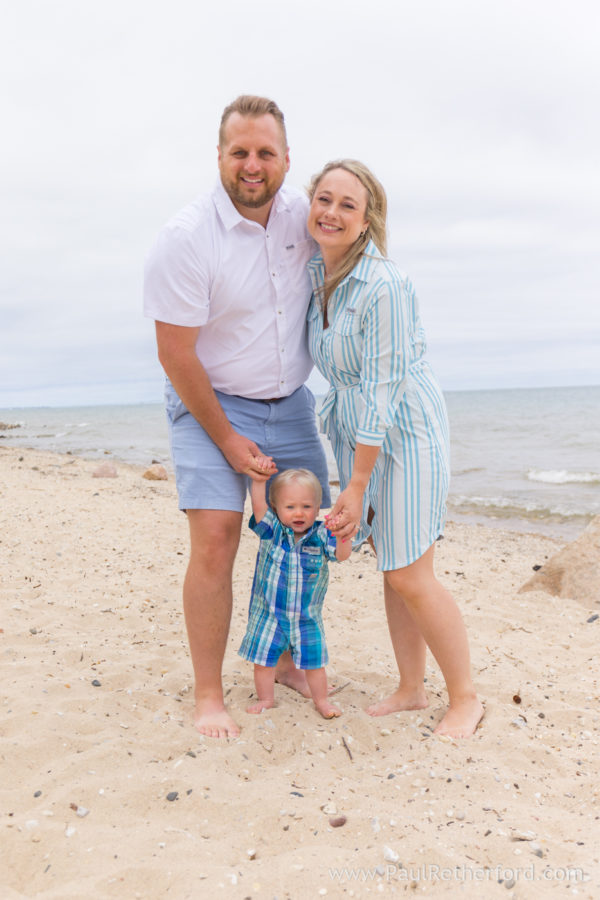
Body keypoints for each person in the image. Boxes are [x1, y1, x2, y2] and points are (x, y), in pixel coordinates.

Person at [143, 96, 330, 739]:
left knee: (305, 538)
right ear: (219, 156)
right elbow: (175, 352)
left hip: (293, 403)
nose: (253, 165)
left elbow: (357, 263)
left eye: (265, 153)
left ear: (286, 160)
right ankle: (207, 694)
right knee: (219, 539)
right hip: (210, 401)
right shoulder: (186, 238)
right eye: (240, 152)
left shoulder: (307, 218)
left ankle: (282, 663)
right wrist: (226, 438)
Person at [305, 159, 484, 738]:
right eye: (324, 199)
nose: (331, 212)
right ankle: (411, 688)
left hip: (403, 431)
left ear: (367, 220)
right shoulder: (315, 273)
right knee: (392, 564)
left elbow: (380, 394)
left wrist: (352, 486)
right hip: (358, 432)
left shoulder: (386, 284)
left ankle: (466, 697)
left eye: (347, 205)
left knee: (411, 571)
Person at [239, 468, 351, 719]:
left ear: (318, 507)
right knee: (264, 661)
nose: (299, 513)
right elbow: (257, 506)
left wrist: (345, 535)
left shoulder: (322, 535)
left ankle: (322, 701)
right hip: (269, 614)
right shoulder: (272, 531)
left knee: (315, 662)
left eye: (307, 506)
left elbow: (342, 556)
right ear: (276, 507)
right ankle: (267, 699)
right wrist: (258, 481)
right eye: (290, 507)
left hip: (306, 617)